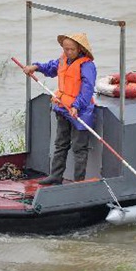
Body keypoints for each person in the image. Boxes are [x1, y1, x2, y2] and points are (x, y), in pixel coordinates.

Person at [22, 33, 96, 185]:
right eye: (65, 49)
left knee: (79, 148)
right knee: (61, 144)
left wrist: (77, 106)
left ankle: (78, 181)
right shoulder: (63, 60)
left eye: (71, 49)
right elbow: (50, 68)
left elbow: (87, 89)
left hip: (80, 111)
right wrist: (36, 67)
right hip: (63, 107)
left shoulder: (87, 66)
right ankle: (56, 176)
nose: (68, 52)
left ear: (80, 49)